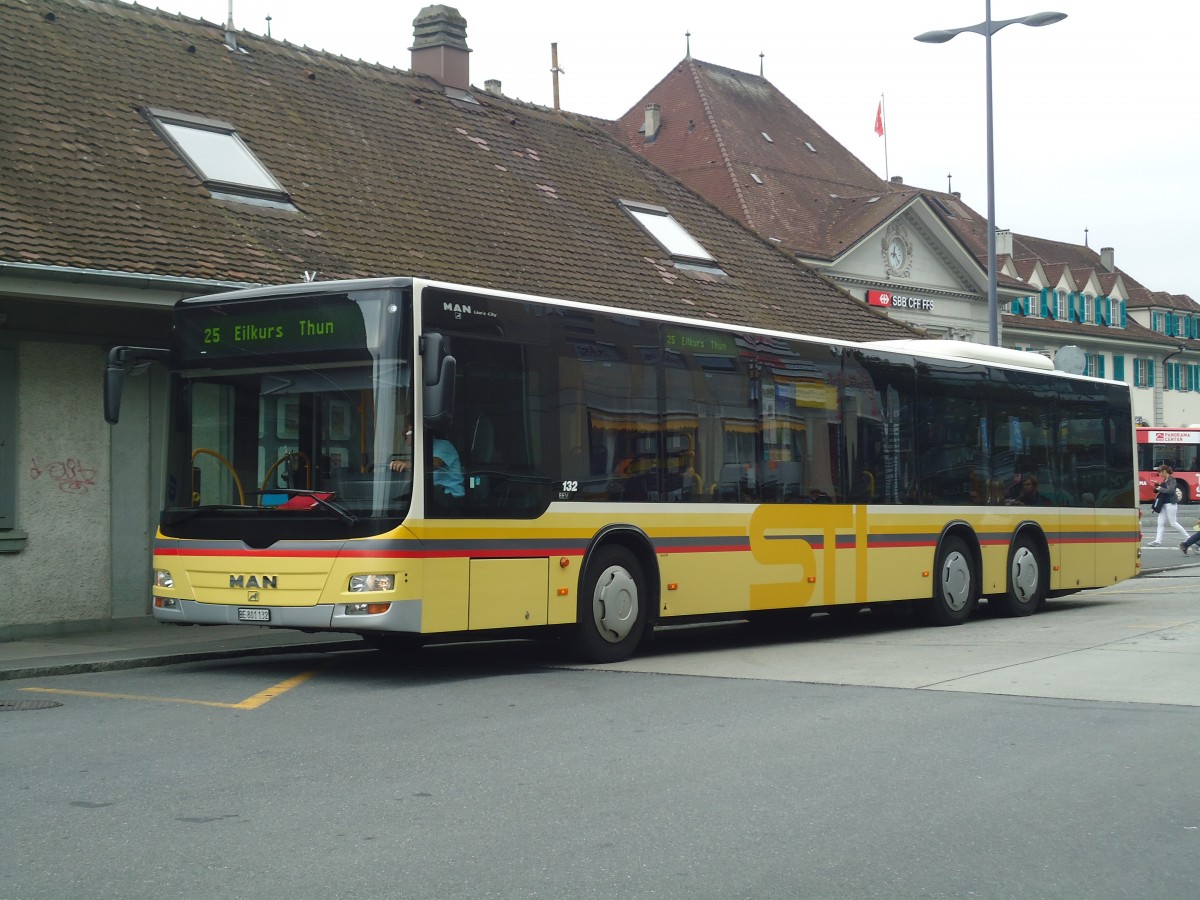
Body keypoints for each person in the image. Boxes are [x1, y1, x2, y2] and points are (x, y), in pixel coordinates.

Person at [1149, 463, 1188, 546]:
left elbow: (1171, 490)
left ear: (1164, 471)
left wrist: (1160, 488)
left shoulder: (1172, 479)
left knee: (1173, 523)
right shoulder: (1165, 480)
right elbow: (1162, 489)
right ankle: (1158, 541)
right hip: (1163, 504)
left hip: (1171, 503)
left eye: (1160, 472)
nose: (1159, 474)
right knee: (1160, 522)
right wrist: (1157, 485)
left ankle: (1188, 537)